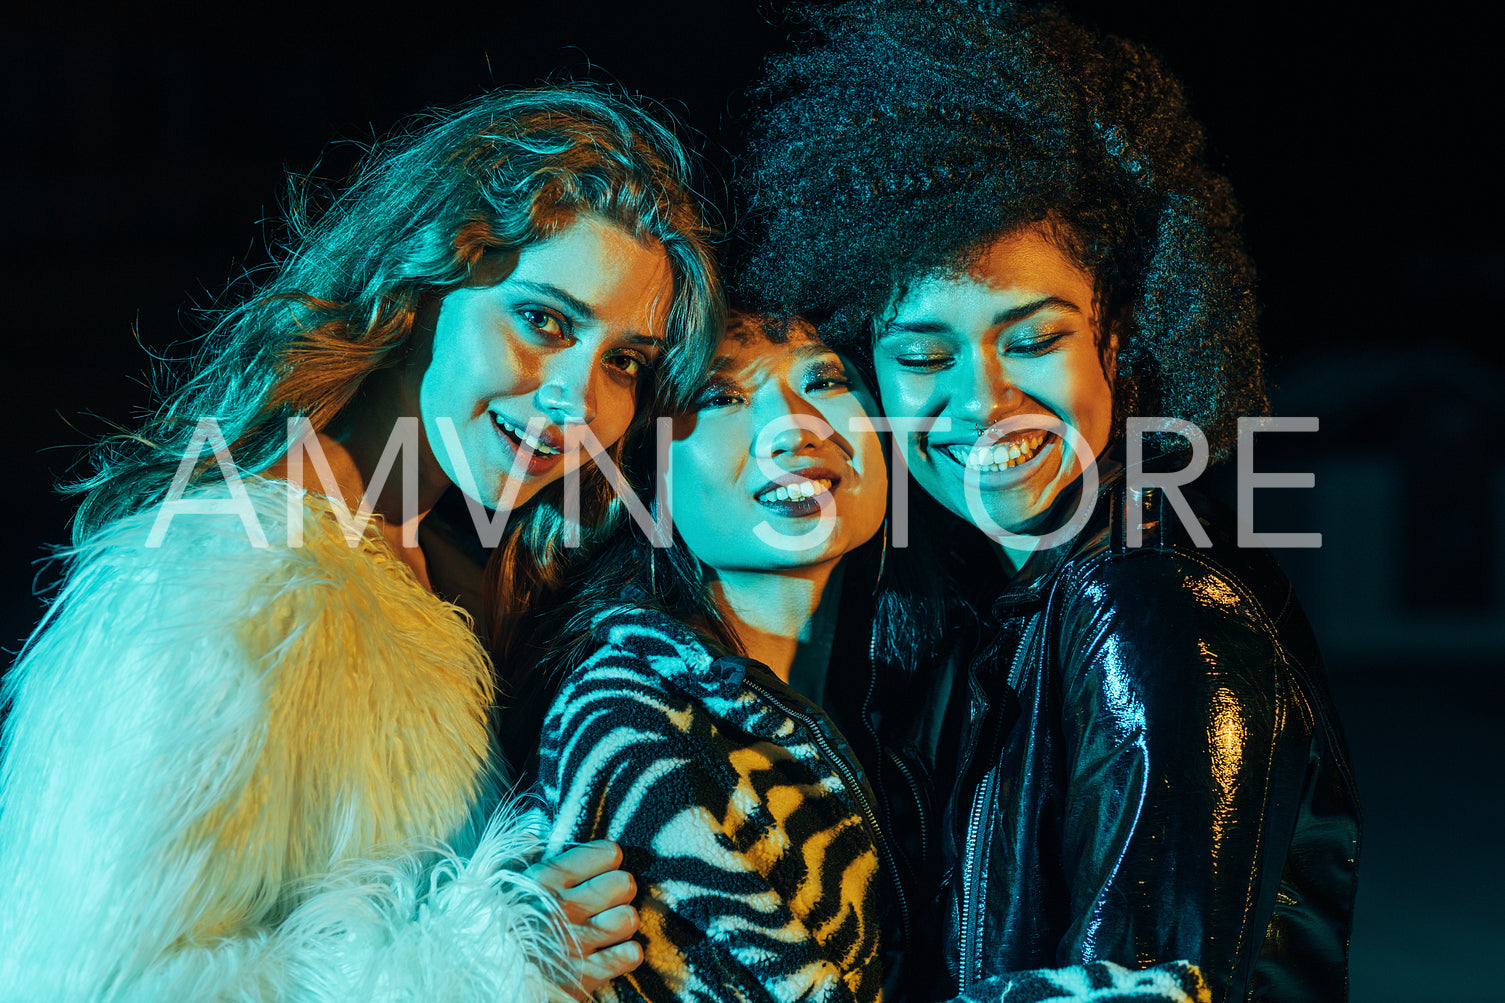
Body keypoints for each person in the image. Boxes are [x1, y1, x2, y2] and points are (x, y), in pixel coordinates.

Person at [0, 85, 723, 1003]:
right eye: (543, 320)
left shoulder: (431, 562)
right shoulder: (237, 584)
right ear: (421, 285)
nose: (578, 404)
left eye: (624, 361)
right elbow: (88, 983)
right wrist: (496, 957)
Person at [736, 3, 1362, 1002]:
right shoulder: (980, 607)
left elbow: (1137, 990)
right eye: (924, 355)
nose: (981, 402)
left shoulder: (1150, 606)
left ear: (1114, 336)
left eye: (1031, 339)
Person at [503, 316, 1212, 1003]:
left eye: (825, 378)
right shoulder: (632, 726)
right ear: (640, 474)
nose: (796, 425)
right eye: (722, 396)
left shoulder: (910, 695)